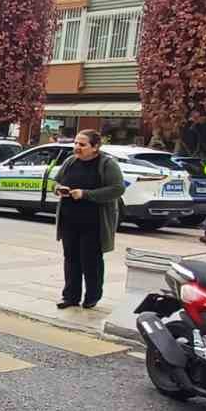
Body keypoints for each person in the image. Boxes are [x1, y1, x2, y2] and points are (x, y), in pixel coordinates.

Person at [53, 129, 125, 309]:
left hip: (94, 223)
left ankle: (92, 296)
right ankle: (70, 296)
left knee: (90, 261)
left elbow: (117, 189)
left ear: (95, 147)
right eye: (76, 143)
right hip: (69, 220)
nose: (77, 147)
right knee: (70, 259)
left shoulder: (107, 164)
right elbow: (56, 181)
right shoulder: (70, 162)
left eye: (82, 144)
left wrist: (86, 194)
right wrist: (58, 189)